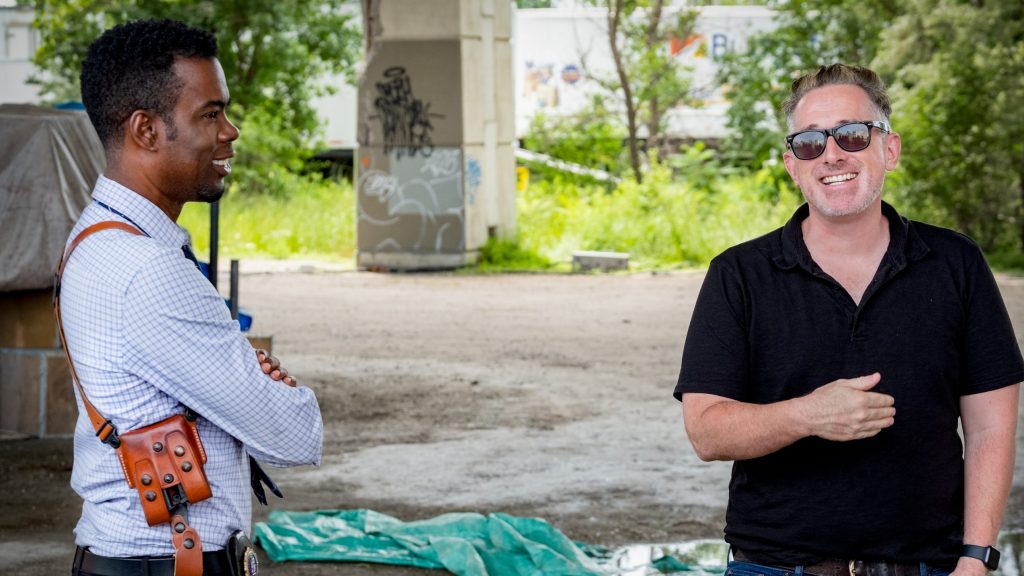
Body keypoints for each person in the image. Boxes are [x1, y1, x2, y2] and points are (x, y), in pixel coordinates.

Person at [675, 63, 1022, 576]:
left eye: (853, 135)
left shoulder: (955, 263)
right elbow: (706, 432)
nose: (832, 153)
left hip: (929, 565)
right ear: (793, 165)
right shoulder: (739, 274)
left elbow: (992, 424)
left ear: (890, 149)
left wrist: (977, 557)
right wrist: (808, 415)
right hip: (775, 567)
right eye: (810, 142)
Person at [59, 19, 323, 576]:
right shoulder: (149, 271)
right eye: (210, 114)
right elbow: (294, 436)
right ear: (146, 130)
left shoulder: (93, 239)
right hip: (165, 564)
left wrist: (238, 377)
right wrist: (273, 388)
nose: (230, 131)